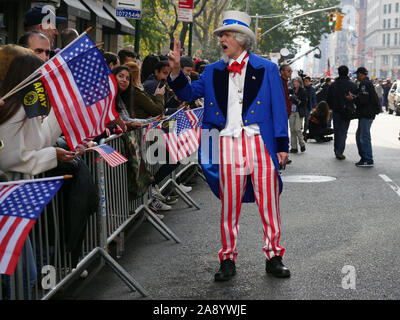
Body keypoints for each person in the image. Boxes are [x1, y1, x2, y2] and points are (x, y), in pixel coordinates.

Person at [168, 10, 290, 281]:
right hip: (228, 144)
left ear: (241, 39)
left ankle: (274, 256)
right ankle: (227, 259)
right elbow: (188, 94)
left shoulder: (267, 68)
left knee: (269, 202)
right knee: (229, 205)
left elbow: (279, 110)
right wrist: (176, 71)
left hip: (260, 142)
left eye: (225, 34)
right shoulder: (212, 71)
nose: (221, 38)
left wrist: (282, 145)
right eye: (221, 34)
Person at [0, 54, 76, 177]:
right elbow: (9, 159)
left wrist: (61, 108)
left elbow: (38, 142)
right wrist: (53, 154)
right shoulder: (15, 109)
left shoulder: (25, 107)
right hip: (10, 187)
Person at [349, 67, 381, 167]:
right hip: (366, 113)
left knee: (363, 136)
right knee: (360, 136)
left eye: (357, 74)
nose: (356, 76)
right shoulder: (366, 83)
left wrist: (353, 98)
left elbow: (363, 99)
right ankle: (364, 157)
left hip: (366, 114)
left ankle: (367, 159)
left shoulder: (364, 84)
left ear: (361, 74)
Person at [327, 65, 358, 160]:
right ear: (347, 72)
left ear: (339, 73)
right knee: (343, 132)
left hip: (336, 111)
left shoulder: (333, 85)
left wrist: (332, 107)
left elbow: (328, 98)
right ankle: (340, 151)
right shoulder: (352, 85)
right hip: (347, 111)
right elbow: (356, 98)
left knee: (337, 131)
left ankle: (337, 150)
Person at [288, 77, 307, 153]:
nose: (295, 83)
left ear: (299, 82)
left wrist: (296, 100)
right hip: (292, 112)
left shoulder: (303, 91)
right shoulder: (291, 90)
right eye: (294, 82)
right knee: (292, 130)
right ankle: (294, 147)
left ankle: (302, 144)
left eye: (296, 82)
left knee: (297, 129)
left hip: (299, 112)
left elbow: (304, 103)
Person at [279, 64, 293, 165]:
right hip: (281, 112)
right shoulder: (279, 82)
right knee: (282, 133)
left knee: (284, 133)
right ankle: (283, 155)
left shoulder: (285, 82)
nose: (290, 73)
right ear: (282, 71)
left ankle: (284, 154)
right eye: (288, 71)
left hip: (285, 111)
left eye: (290, 71)